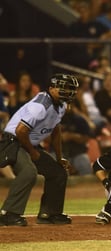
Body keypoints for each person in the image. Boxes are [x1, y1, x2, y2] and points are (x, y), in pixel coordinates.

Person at [0, 73, 78, 226]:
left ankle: (49, 213)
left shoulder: (60, 105)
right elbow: (20, 131)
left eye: (69, 89)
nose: (68, 91)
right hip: (12, 142)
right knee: (29, 172)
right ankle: (8, 214)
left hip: (28, 143)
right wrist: (33, 152)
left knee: (57, 172)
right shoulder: (40, 106)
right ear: (51, 89)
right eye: (63, 88)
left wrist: (58, 157)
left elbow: (55, 131)